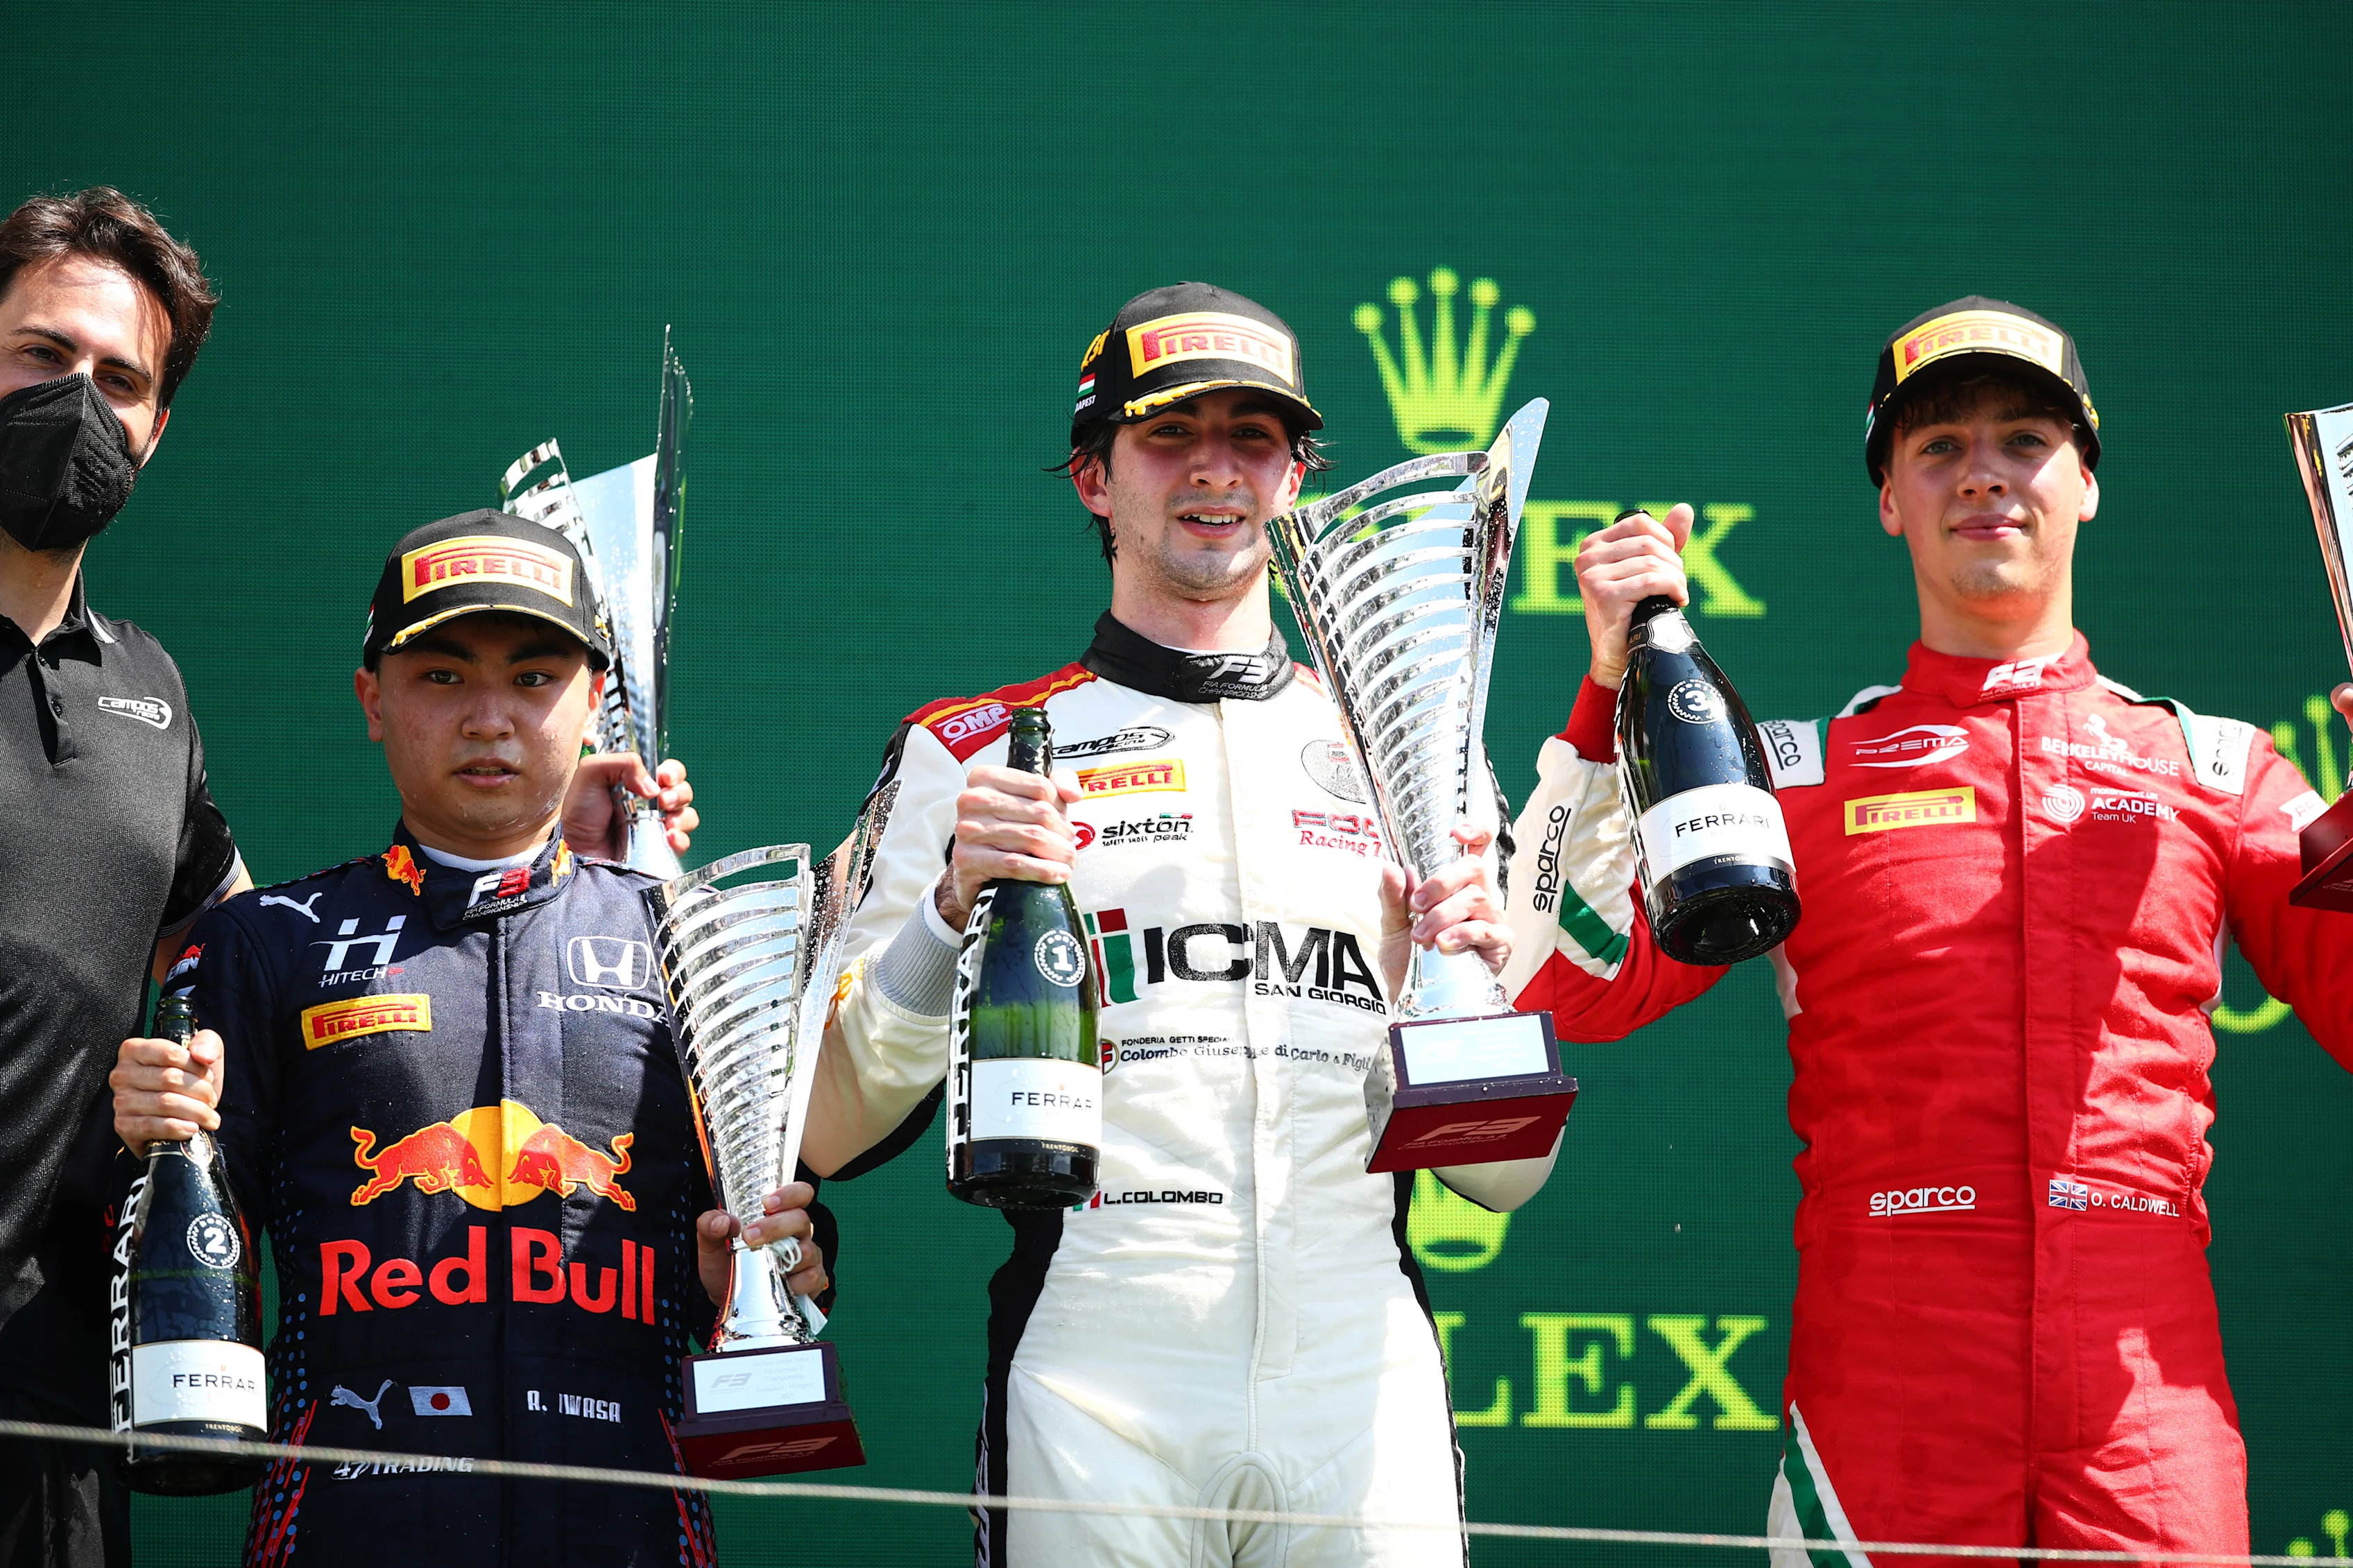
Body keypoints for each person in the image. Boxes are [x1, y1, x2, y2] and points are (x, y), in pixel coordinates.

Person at [1507, 297, 2353, 1558]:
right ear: (1891, 498)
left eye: (2024, 440)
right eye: (1939, 449)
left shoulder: (2219, 767)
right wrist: (1609, 693)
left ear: (2087, 484)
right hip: (1887, 1374)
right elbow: (1572, 993)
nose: (1984, 476)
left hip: (2144, 1379)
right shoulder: (1794, 776)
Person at [801, 282, 1557, 1567]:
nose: (1215, 471)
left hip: (1357, 1374)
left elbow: (1503, 1178)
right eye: (1169, 435)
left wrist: (1462, 980)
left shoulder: (1413, 755)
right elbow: (820, 1125)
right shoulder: (970, 753)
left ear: (1297, 474)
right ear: (1095, 476)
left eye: (1253, 437)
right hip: (1098, 1368)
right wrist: (942, 915)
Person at [106, 509, 832, 1567]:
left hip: (629, 1527)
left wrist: (768, 1275)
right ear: (372, 702)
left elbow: (786, 1252)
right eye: (442, 678)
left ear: (593, 706)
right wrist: (146, 1148)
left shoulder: (687, 945)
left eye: (534, 678)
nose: (490, 717)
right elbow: (171, 1261)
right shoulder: (261, 945)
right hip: (348, 1526)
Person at [0, 186, 246, 1568]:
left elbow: (253, 950)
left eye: (120, 379)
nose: (77, 398)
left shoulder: (149, 691)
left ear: (154, 430)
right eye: (42, 355)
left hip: (57, 1417)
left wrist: (556, 845)